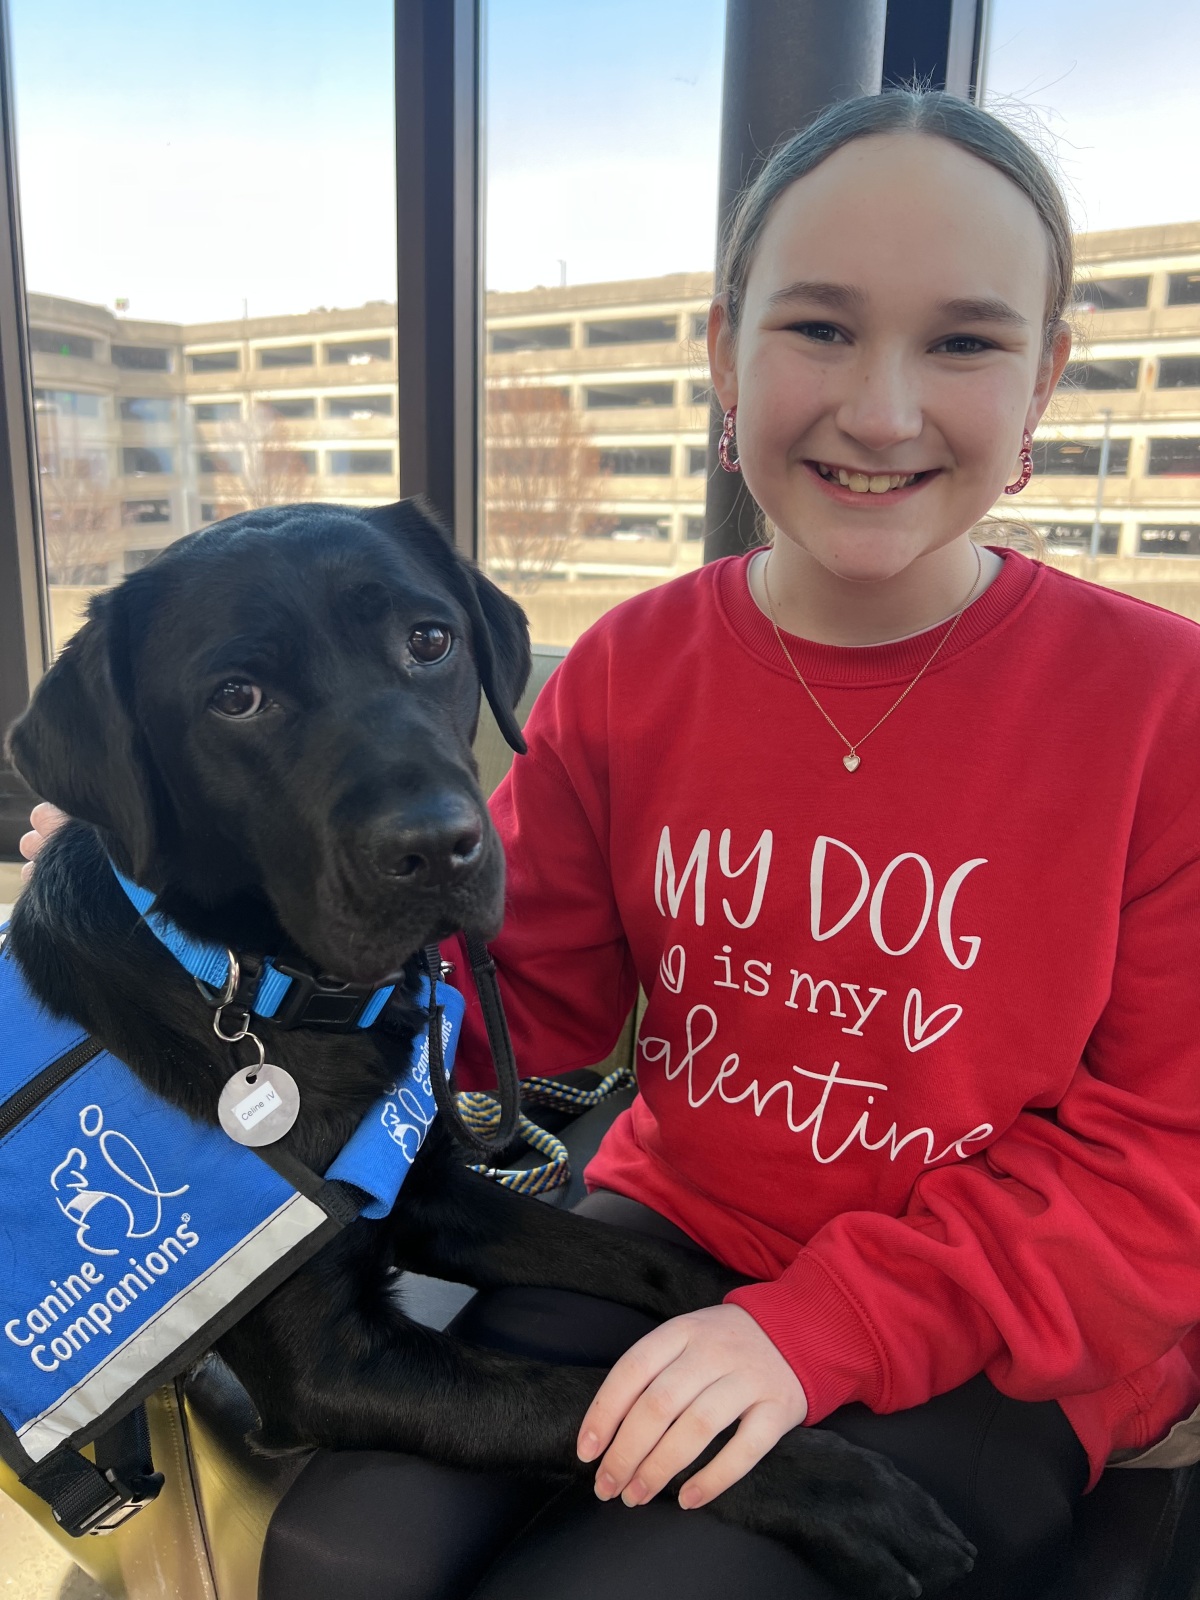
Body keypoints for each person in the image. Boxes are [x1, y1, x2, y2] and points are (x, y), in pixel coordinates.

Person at [23, 90, 1200, 1600]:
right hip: (675, 1224)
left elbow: (1165, 1164)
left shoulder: (1160, 708)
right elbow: (504, 994)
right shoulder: (633, 669)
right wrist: (181, 925)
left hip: (1008, 1315)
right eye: (820, 328)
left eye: (965, 341)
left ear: (1044, 378)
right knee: (337, 1559)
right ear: (726, 354)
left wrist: (818, 1329)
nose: (883, 409)